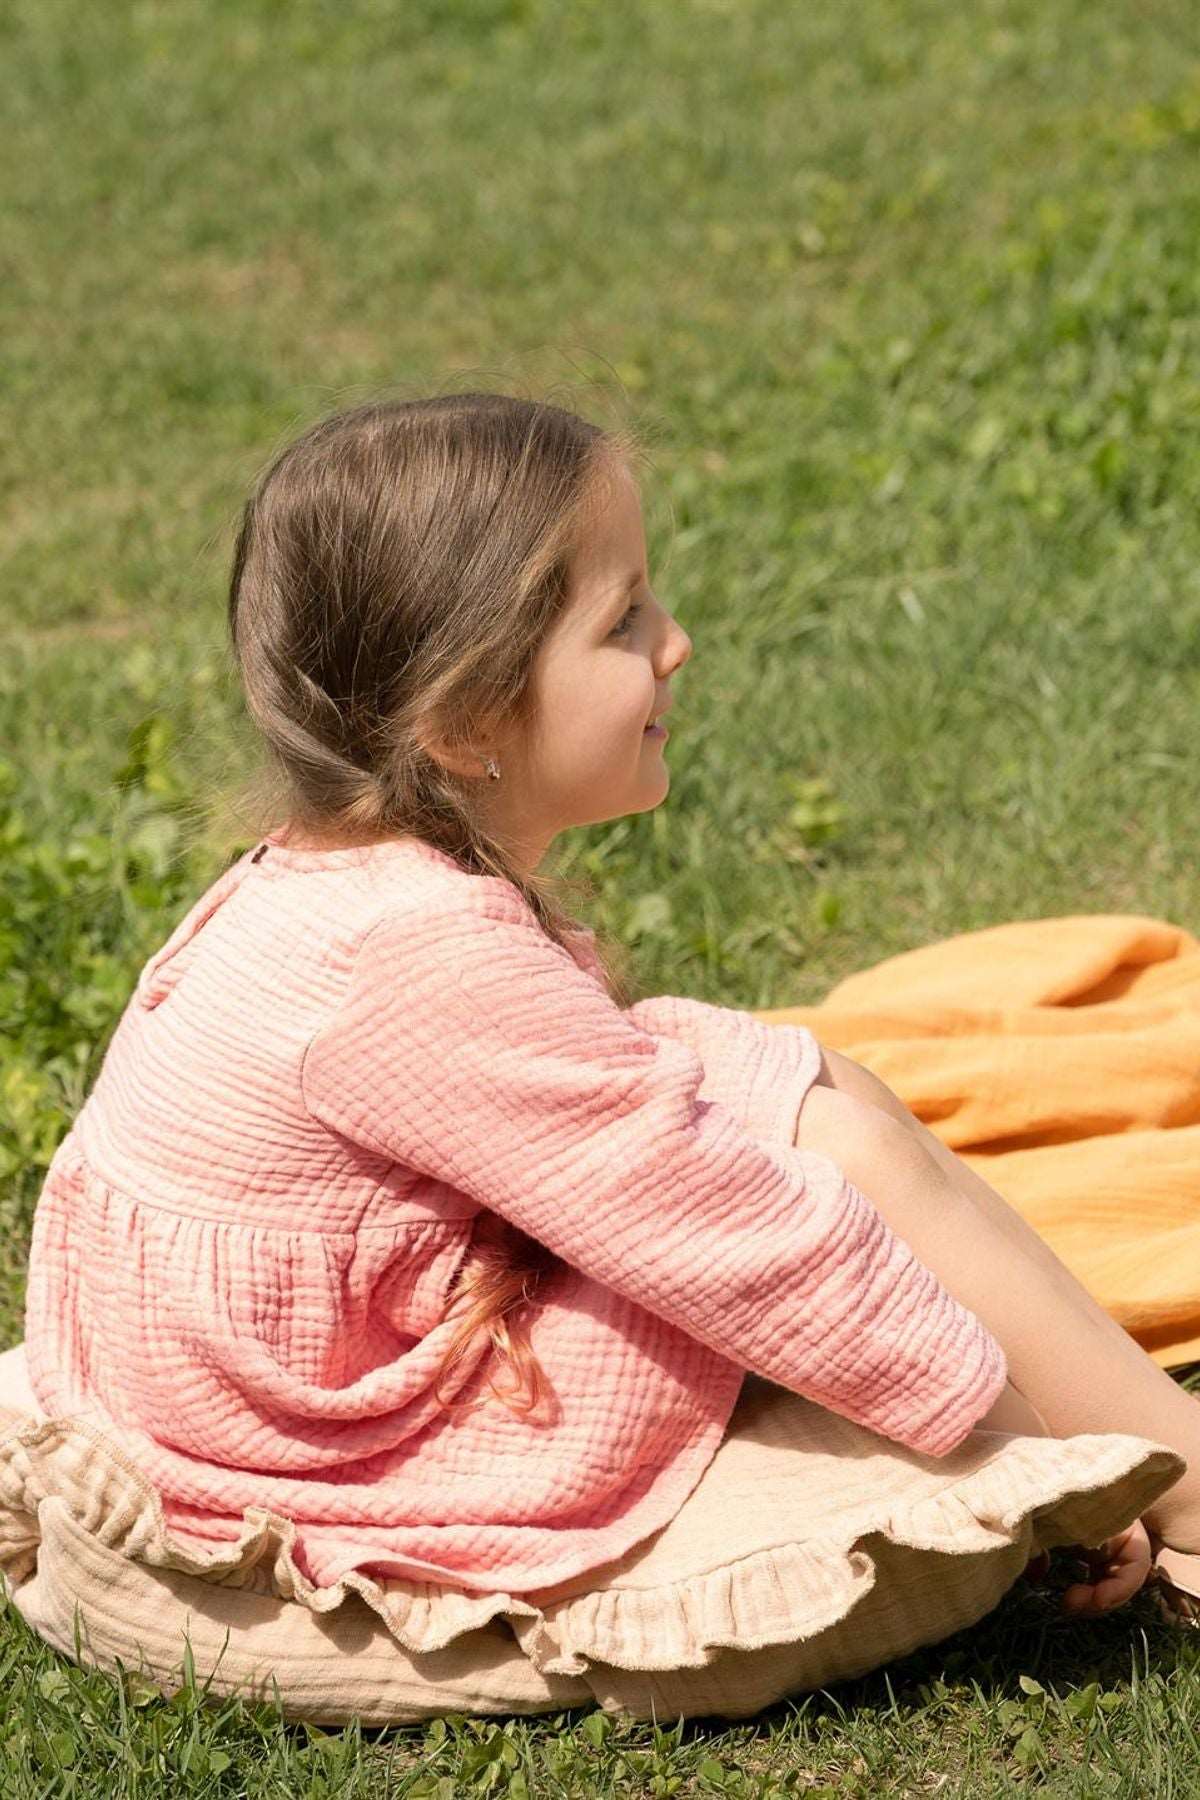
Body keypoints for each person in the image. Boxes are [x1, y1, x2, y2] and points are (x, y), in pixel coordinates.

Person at [11, 393, 1200, 1705]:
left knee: (802, 1101)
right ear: (465, 725)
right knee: (824, 1160)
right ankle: (1186, 1483)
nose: (676, 643)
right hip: (328, 1425)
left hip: (300, 1343)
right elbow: (743, 1243)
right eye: (623, 618)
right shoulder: (416, 959)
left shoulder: (343, 883)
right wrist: (1033, 1459)